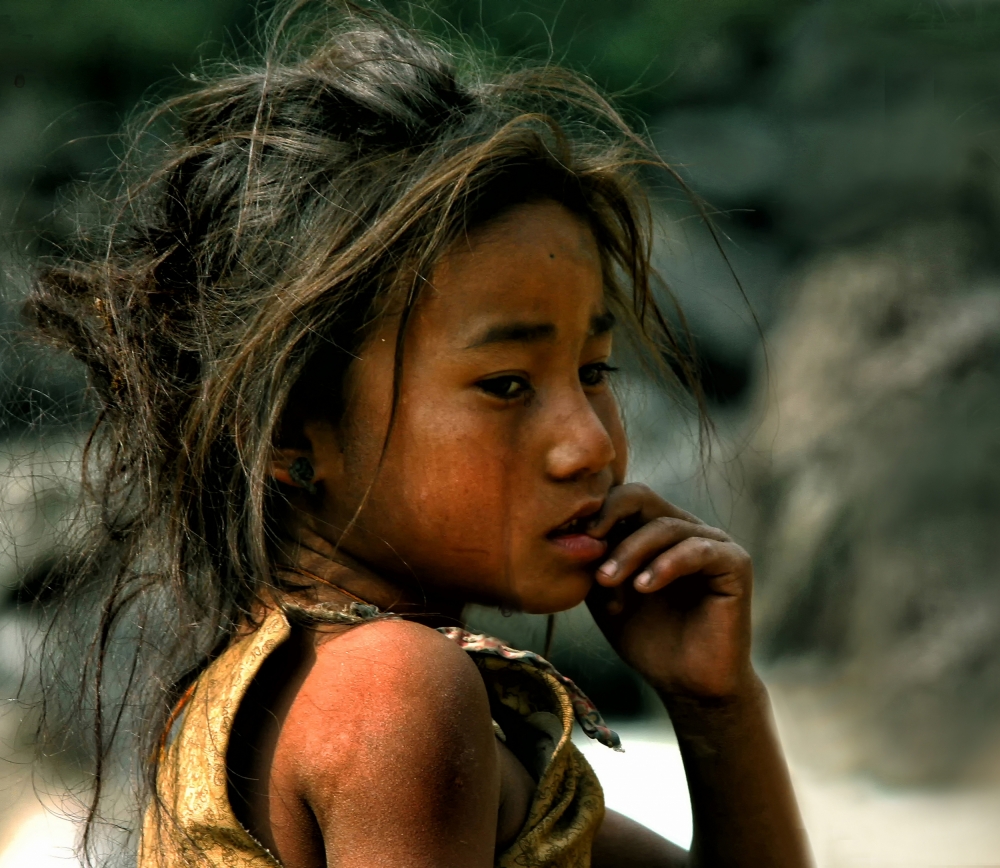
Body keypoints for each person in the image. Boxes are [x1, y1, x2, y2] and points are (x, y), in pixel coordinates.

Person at [27, 2, 811, 865]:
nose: (590, 445)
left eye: (595, 372)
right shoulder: (395, 694)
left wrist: (716, 705)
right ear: (290, 433)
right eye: (507, 385)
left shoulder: (298, 686)